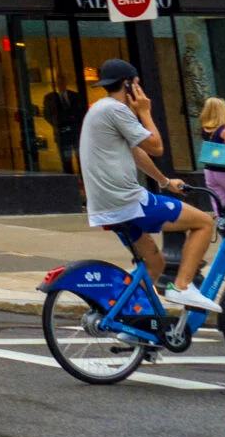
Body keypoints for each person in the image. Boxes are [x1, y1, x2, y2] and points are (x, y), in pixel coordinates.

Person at [81, 59, 216, 311]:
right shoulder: (116, 110)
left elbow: (136, 152)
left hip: (108, 205)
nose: (141, 90)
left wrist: (164, 182)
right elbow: (155, 147)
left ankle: (128, 315)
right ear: (127, 84)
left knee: (154, 264)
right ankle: (183, 287)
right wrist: (145, 112)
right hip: (127, 201)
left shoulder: (101, 109)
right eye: (138, 84)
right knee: (204, 223)